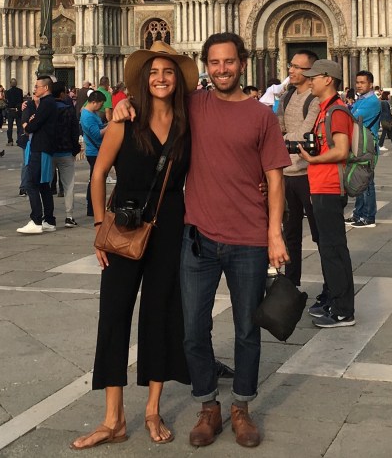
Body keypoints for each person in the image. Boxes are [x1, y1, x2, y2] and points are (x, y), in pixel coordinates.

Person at [114, 32, 289, 448]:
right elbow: (156, 99)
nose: (222, 69)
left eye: (229, 62)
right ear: (206, 67)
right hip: (198, 239)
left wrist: (274, 233)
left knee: (246, 330)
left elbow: (275, 179)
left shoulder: (262, 116)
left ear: (242, 63)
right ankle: (208, 405)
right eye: (214, 62)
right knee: (193, 329)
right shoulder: (193, 105)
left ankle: (241, 407)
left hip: (248, 239)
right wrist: (124, 103)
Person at [73, 42, 194, 449]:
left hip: (170, 225)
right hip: (124, 226)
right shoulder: (124, 121)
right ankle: (113, 418)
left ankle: (152, 409)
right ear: (144, 79)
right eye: (154, 72)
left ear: (177, 80)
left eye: (168, 72)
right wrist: (99, 224)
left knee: (161, 314)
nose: (161, 78)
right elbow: (98, 174)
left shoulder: (186, 124)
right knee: (114, 314)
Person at [297, 59, 356, 328]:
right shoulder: (324, 110)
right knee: (328, 248)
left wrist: (313, 159)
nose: (310, 81)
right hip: (320, 186)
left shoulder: (337, 111)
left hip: (330, 187)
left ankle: (343, 311)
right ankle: (334, 299)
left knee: (334, 250)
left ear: (328, 79)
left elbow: (341, 150)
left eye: (314, 77)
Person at [278, 49, 319, 288]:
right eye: (290, 65)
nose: (290, 70)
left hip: (308, 174)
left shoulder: (315, 99)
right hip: (286, 174)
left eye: (296, 67)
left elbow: (305, 133)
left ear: (310, 71)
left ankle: (330, 287)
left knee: (319, 234)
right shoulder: (286, 97)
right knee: (290, 234)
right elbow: (278, 126)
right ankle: (290, 285)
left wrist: (282, 139)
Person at [19, 76, 58, 234]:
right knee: (43, 185)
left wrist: (28, 125)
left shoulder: (46, 103)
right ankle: (48, 220)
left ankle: (36, 220)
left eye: (37, 86)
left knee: (31, 183)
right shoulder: (49, 103)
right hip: (45, 147)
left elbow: (33, 125)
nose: (34, 89)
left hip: (40, 147)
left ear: (46, 88)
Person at [350, 71, 381, 228]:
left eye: (362, 82)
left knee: (367, 181)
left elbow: (352, 117)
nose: (359, 85)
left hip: (367, 145)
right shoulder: (361, 99)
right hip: (359, 144)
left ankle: (369, 217)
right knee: (359, 179)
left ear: (370, 84)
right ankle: (358, 213)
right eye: (357, 82)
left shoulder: (372, 102)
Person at [49, 81, 81, 228]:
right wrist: (75, 149)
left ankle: (47, 215)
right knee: (69, 185)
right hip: (66, 151)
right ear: (62, 94)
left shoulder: (47, 109)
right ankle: (69, 216)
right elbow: (75, 131)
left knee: (46, 185)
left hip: (49, 152)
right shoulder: (69, 110)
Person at [81, 92, 105, 220]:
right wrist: (112, 126)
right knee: (95, 180)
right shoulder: (88, 116)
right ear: (94, 102)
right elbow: (97, 134)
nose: (101, 107)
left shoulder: (91, 113)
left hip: (95, 150)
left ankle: (92, 206)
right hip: (94, 151)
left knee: (94, 179)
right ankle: (92, 207)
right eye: (101, 104)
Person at [3, 77, 24, 144]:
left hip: (11, 110)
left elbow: (7, 101)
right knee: (19, 126)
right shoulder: (20, 91)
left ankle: (10, 141)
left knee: (10, 127)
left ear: (10, 84)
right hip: (18, 110)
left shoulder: (8, 92)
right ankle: (19, 140)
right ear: (16, 84)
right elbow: (21, 100)